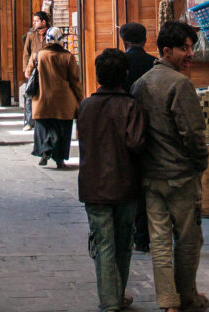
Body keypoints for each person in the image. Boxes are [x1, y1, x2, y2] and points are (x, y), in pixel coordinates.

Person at [131, 21, 209, 312]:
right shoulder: (180, 84)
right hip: (181, 178)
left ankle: (167, 301)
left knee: (160, 242)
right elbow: (193, 132)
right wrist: (200, 163)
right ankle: (186, 294)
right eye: (184, 49)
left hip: (151, 177)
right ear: (166, 50)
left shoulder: (140, 85)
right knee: (188, 240)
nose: (189, 54)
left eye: (191, 47)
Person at [78, 48, 148, 312]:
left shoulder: (85, 106)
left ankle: (110, 298)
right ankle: (115, 296)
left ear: (98, 75)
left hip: (93, 186)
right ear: (126, 75)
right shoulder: (131, 107)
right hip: (125, 185)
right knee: (122, 243)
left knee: (103, 242)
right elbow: (137, 143)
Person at [120, 20, 158, 251]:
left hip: (124, 130)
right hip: (149, 129)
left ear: (123, 40)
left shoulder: (120, 62)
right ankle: (145, 235)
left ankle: (130, 231)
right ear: (145, 40)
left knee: (128, 182)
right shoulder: (154, 63)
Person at [29, 27, 82, 169]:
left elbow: (28, 73)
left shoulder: (38, 55)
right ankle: (60, 159)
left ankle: (45, 149)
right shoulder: (68, 57)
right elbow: (75, 81)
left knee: (43, 126)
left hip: (42, 100)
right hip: (64, 102)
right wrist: (80, 99)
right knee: (63, 131)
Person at [21, 11, 50, 129]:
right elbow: (26, 53)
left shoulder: (50, 33)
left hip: (47, 68)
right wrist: (26, 69)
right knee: (29, 93)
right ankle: (29, 121)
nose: (34, 23)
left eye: (36, 21)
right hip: (33, 68)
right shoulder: (31, 34)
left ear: (43, 22)